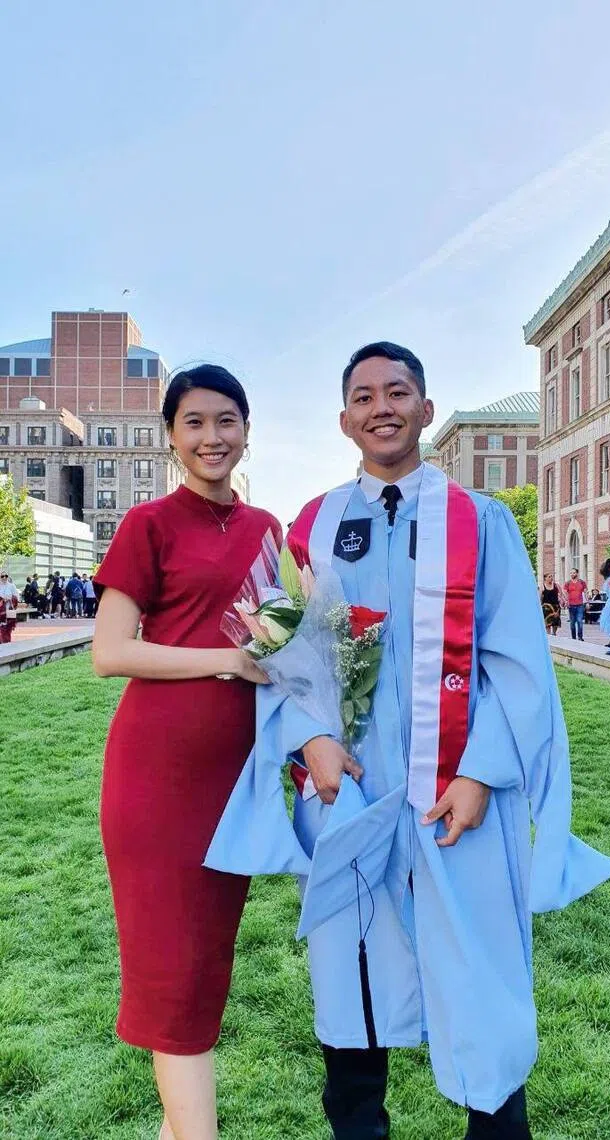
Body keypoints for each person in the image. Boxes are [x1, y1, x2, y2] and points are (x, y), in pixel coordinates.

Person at [206, 341, 610, 1140]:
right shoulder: (314, 524)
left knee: (477, 971)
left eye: (397, 392)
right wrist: (311, 742)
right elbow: (281, 655)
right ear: (344, 419)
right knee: (352, 970)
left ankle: (497, 1126)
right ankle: (358, 1124)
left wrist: (480, 774)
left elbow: (516, 665)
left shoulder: (480, 520)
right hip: (351, 787)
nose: (382, 407)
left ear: (426, 409)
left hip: (457, 792)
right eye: (364, 396)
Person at [92, 364, 280, 1140]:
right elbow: (109, 651)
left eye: (226, 420)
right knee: (171, 975)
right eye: (195, 422)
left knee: (202, 973)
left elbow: (284, 638)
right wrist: (223, 659)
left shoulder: (269, 528)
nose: (212, 437)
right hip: (158, 779)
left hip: (236, 783)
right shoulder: (149, 524)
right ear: (171, 436)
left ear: (246, 429)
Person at [562, 567, 588, 641]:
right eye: (571, 573)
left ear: (577, 573)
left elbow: (586, 592)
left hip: (580, 604)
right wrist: (566, 601)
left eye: (574, 573)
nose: (572, 574)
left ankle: (580, 637)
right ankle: (573, 637)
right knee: (572, 622)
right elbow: (565, 592)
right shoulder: (568, 583)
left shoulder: (582, 582)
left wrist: (587, 602)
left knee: (580, 621)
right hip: (571, 604)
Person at [0, 572, 19, 643]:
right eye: (2, 576)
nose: (4, 577)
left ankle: (7, 644)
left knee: (8, 629)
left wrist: (10, 598)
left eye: (6, 576)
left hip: (10, 610)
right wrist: (2, 599)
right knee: (1, 629)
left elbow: (17, 597)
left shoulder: (12, 586)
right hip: (1, 611)